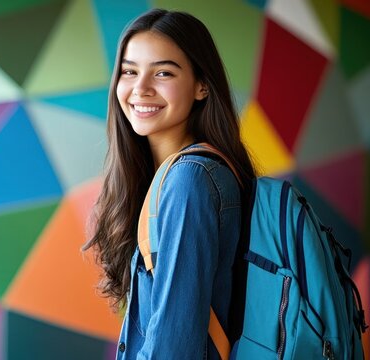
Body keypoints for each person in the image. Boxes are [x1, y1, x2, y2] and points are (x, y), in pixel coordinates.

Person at [82, 9, 257, 359]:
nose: (140, 88)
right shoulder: (177, 177)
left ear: (201, 85)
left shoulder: (189, 180)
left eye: (163, 72)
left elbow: (173, 347)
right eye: (129, 71)